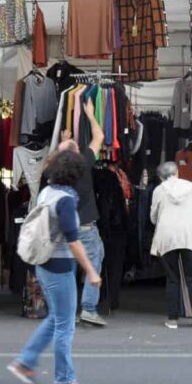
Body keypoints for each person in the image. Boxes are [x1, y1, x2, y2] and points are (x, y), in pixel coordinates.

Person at [7, 150, 102, 384]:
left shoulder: (46, 192)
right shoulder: (66, 201)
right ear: (76, 176)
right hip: (59, 266)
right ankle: (64, 381)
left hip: (44, 264)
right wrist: (91, 271)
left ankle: (25, 362)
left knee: (56, 319)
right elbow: (73, 241)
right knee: (65, 325)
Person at [52, 97, 107, 327]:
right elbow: (100, 137)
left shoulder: (54, 172)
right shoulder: (84, 162)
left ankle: (64, 309)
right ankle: (89, 309)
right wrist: (90, 114)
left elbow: (55, 158)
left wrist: (62, 143)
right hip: (85, 226)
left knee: (68, 268)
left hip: (64, 227)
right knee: (93, 263)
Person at [151, 161, 192, 330]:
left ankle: (172, 319)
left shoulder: (158, 190)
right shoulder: (190, 187)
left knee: (172, 279)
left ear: (160, 177)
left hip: (167, 237)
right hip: (188, 236)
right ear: (177, 172)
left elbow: (153, 218)